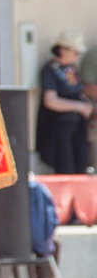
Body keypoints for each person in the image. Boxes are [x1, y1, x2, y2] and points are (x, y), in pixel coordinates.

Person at [36, 32, 92, 174]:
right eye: (75, 52)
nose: (77, 56)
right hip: (60, 128)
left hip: (77, 128)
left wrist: (87, 103)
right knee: (65, 167)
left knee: (82, 166)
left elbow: (77, 91)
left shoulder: (72, 68)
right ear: (62, 50)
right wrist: (78, 107)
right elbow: (50, 100)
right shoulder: (50, 69)